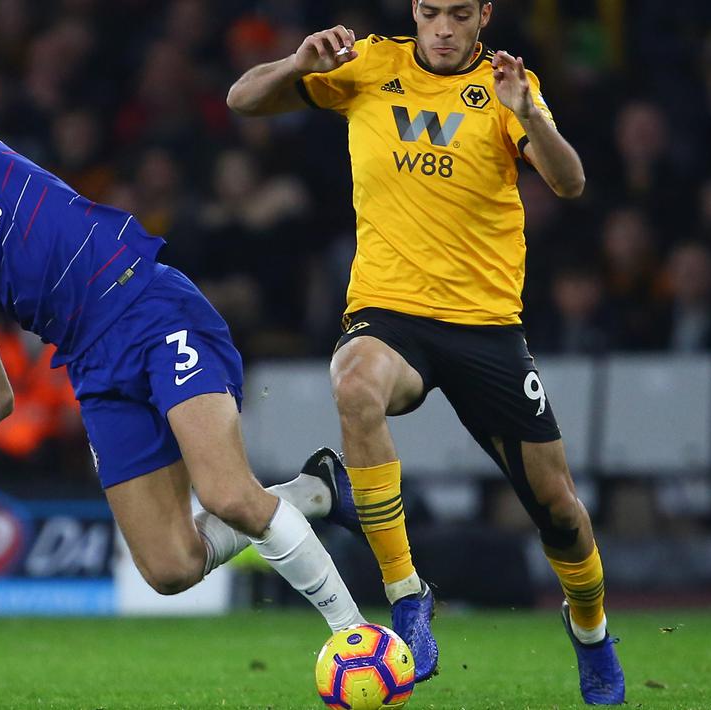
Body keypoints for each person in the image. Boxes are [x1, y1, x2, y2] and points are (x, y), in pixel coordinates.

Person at [0, 0, 367, 636]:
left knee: (227, 495)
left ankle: (357, 638)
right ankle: (313, 492)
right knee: (169, 567)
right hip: (91, 363)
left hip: (145, 304)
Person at [226, 1, 624, 704]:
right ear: (415, 10)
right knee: (354, 382)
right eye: (431, 12)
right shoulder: (368, 64)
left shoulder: (507, 87)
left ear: (483, 15)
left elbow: (569, 182)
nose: (443, 28)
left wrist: (528, 115)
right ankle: (407, 596)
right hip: (389, 314)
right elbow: (242, 99)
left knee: (559, 511)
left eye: (459, 14)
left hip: (485, 326)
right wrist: (296, 63)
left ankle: (590, 631)